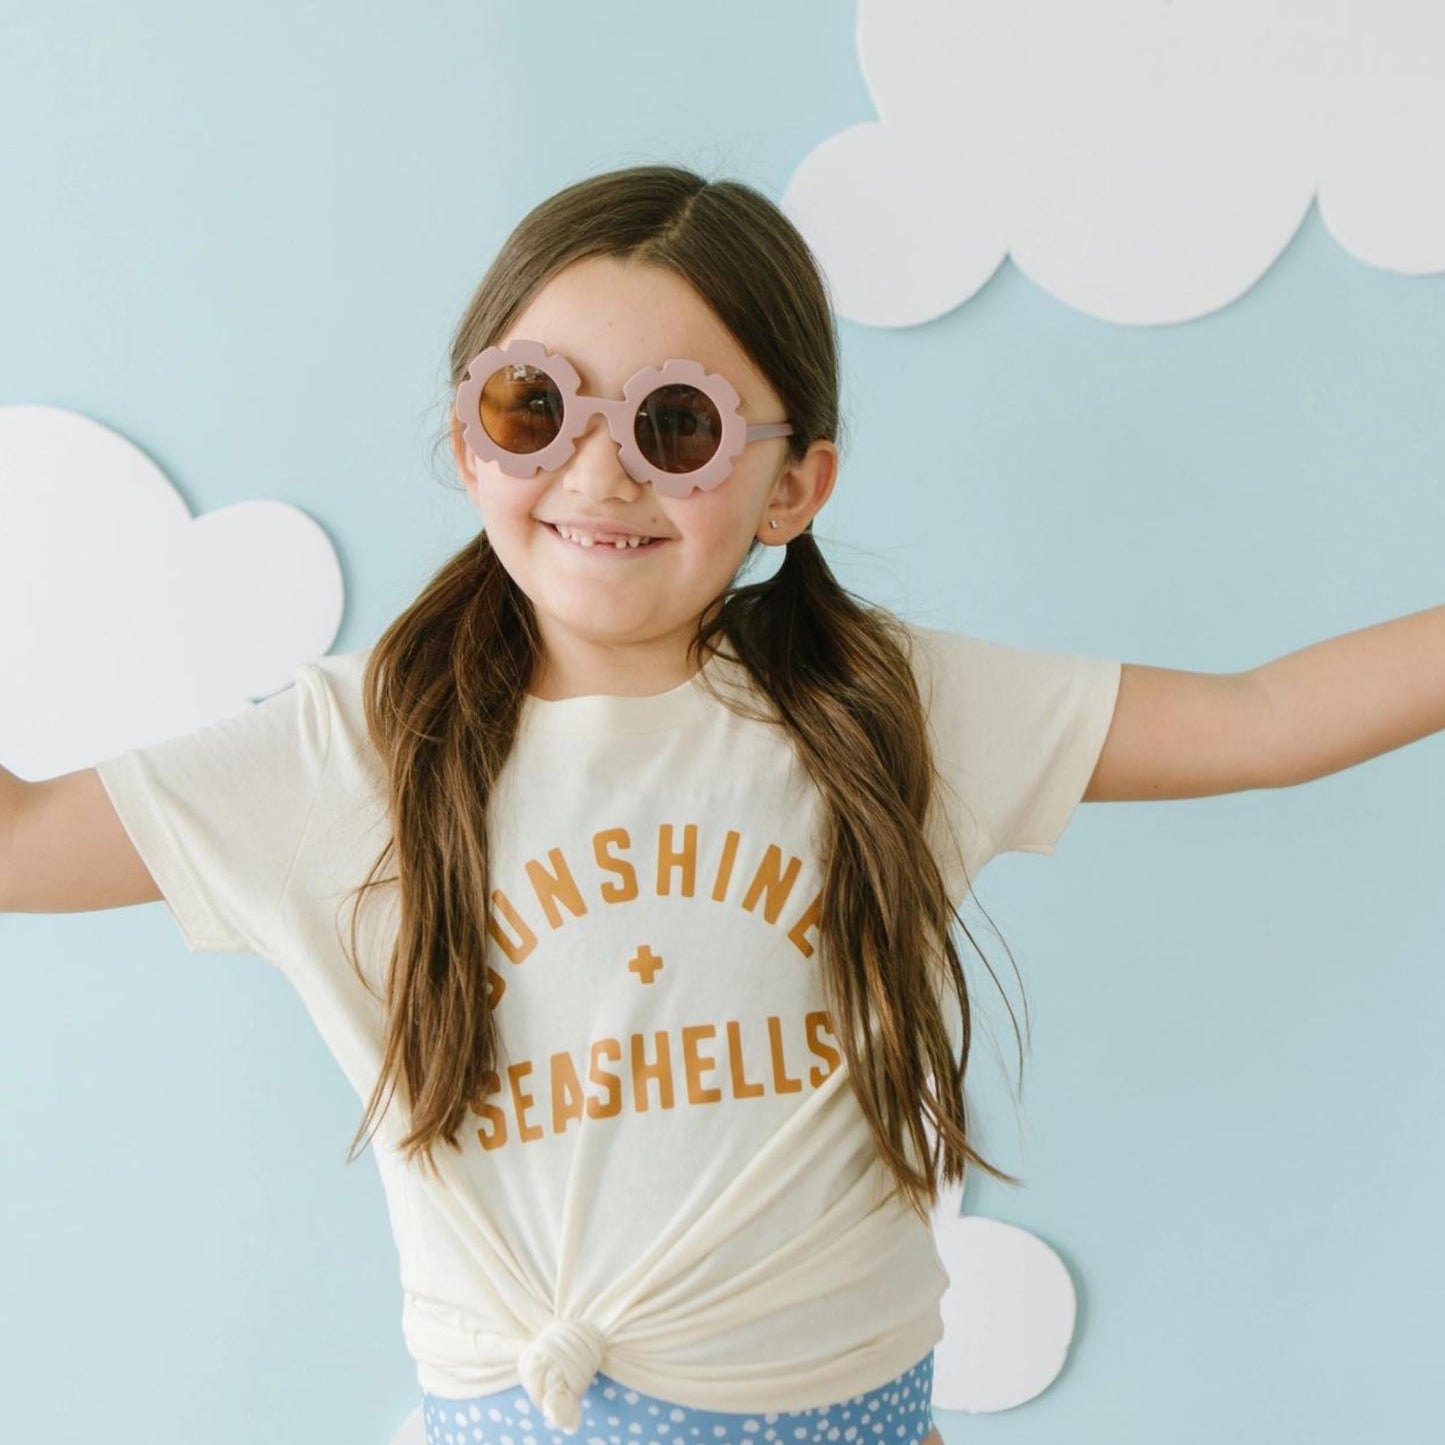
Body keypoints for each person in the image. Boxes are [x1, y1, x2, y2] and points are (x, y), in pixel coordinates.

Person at [3, 164, 1442, 1445]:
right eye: (533, 403)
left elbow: (1266, 721)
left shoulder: (881, 704)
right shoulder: (359, 743)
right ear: (466, 440)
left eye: (675, 424)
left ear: (790, 487)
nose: (597, 464)